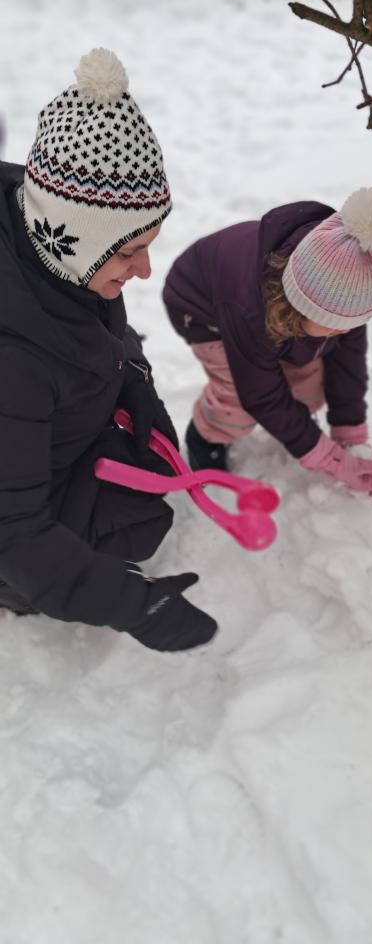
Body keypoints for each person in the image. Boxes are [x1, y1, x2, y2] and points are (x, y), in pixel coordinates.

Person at [0, 48, 217, 652]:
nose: (145, 270)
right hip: (13, 526)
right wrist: (133, 605)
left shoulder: (44, 234)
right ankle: (15, 597)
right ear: (73, 239)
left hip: (53, 434)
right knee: (139, 522)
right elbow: (12, 533)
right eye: (128, 252)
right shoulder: (13, 364)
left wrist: (133, 376)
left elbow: (90, 325)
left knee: (153, 459)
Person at [163, 188, 372, 495]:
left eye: (352, 325)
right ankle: (204, 438)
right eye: (335, 326)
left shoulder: (344, 291)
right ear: (303, 305)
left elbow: (347, 364)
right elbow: (260, 394)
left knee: (308, 384)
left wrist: (350, 435)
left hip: (270, 311)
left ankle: (295, 423)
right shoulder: (249, 310)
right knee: (237, 400)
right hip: (199, 309)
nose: (345, 332)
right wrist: (329, 459)